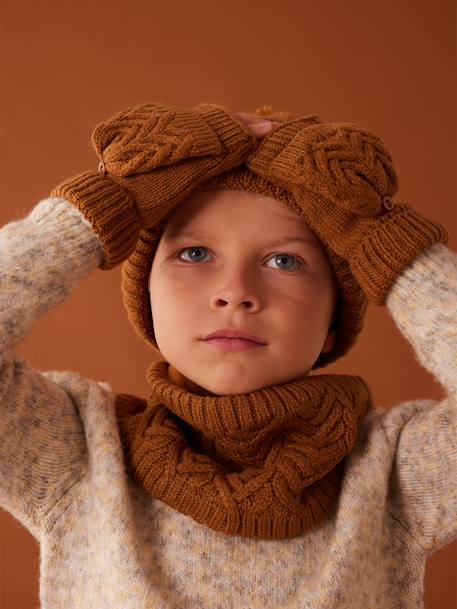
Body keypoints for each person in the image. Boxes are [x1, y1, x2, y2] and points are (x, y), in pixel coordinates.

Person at [0, 101, 455, 608]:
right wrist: (108, 202)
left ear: (332, 321)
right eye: (195, 254)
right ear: (148, 299)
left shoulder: (394, 474)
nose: (235, 292)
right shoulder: (78, 456)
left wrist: (383, 236)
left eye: (285, 260)